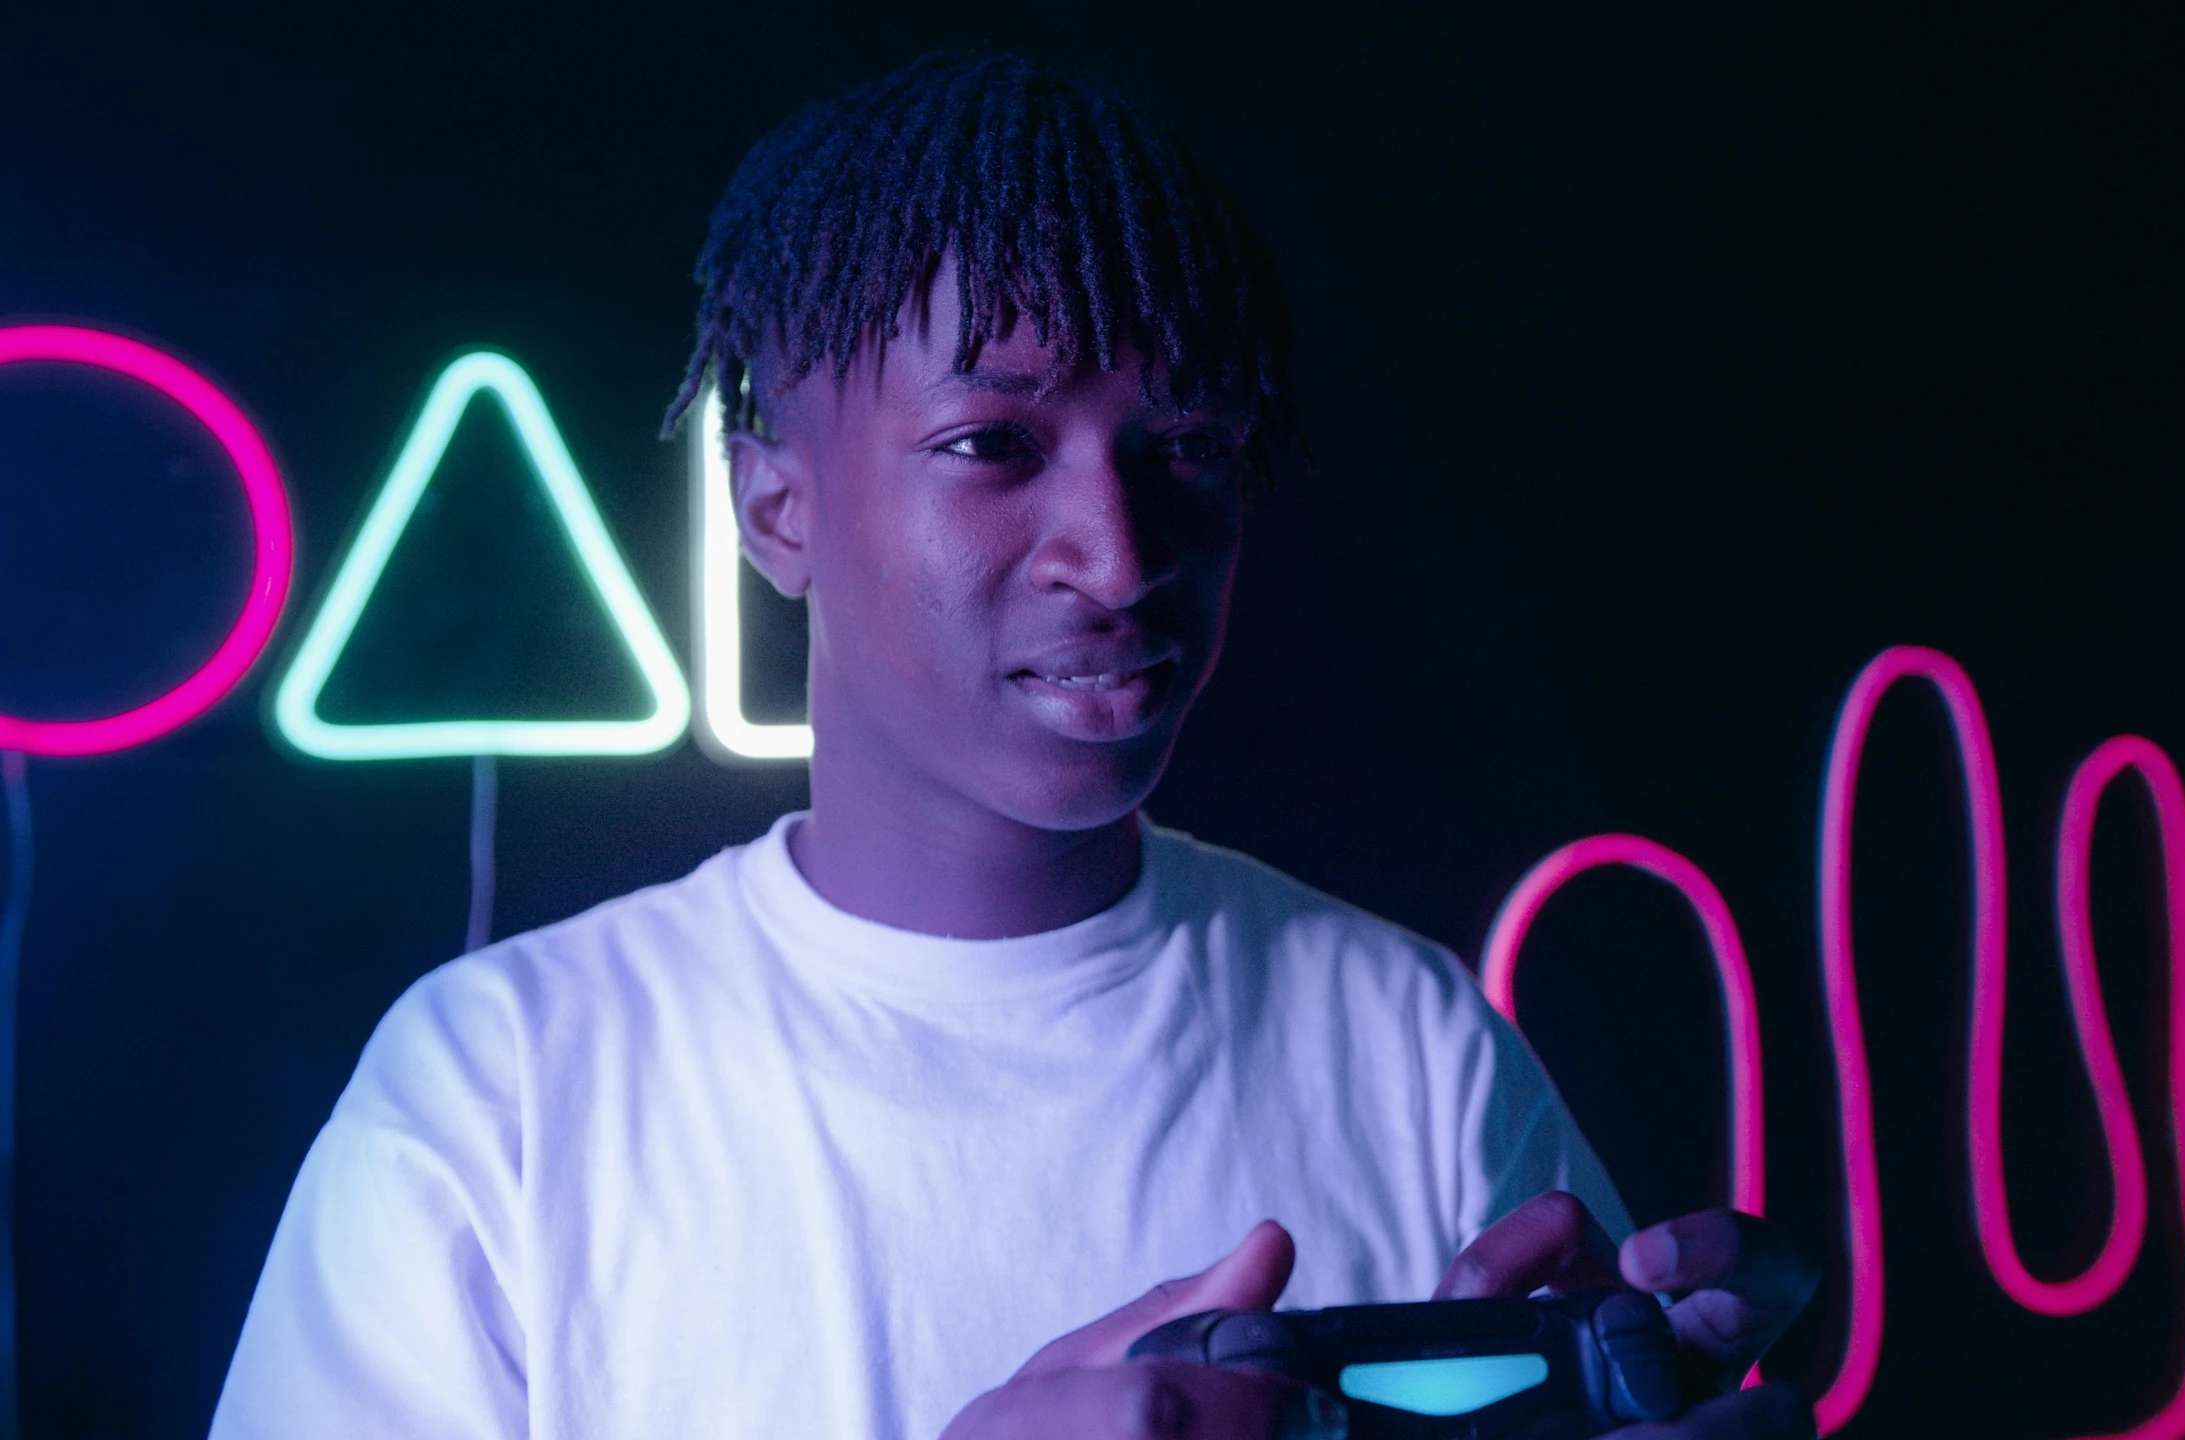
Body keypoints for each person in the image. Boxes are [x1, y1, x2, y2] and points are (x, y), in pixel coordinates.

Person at [211, 51, 1818, 1440]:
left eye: (1188, 445)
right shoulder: (501, 1096)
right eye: (991, 443)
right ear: (772, 502)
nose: (1118, 558)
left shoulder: (1413, 1047)